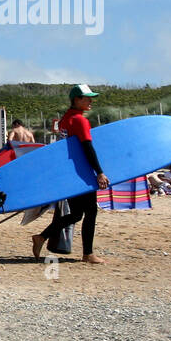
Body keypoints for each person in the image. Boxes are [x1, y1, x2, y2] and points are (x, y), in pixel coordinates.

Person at [30, 84, 108, 264]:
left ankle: (41, 237)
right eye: (86, 98)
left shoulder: (65, 119)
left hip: (69, 173)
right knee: (90, 212)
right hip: (81, 174)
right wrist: (100, 172)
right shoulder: (80, 121)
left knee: (76, 214)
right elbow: (88, 148)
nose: (90, 101)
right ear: (76, 99)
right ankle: (88, 254)